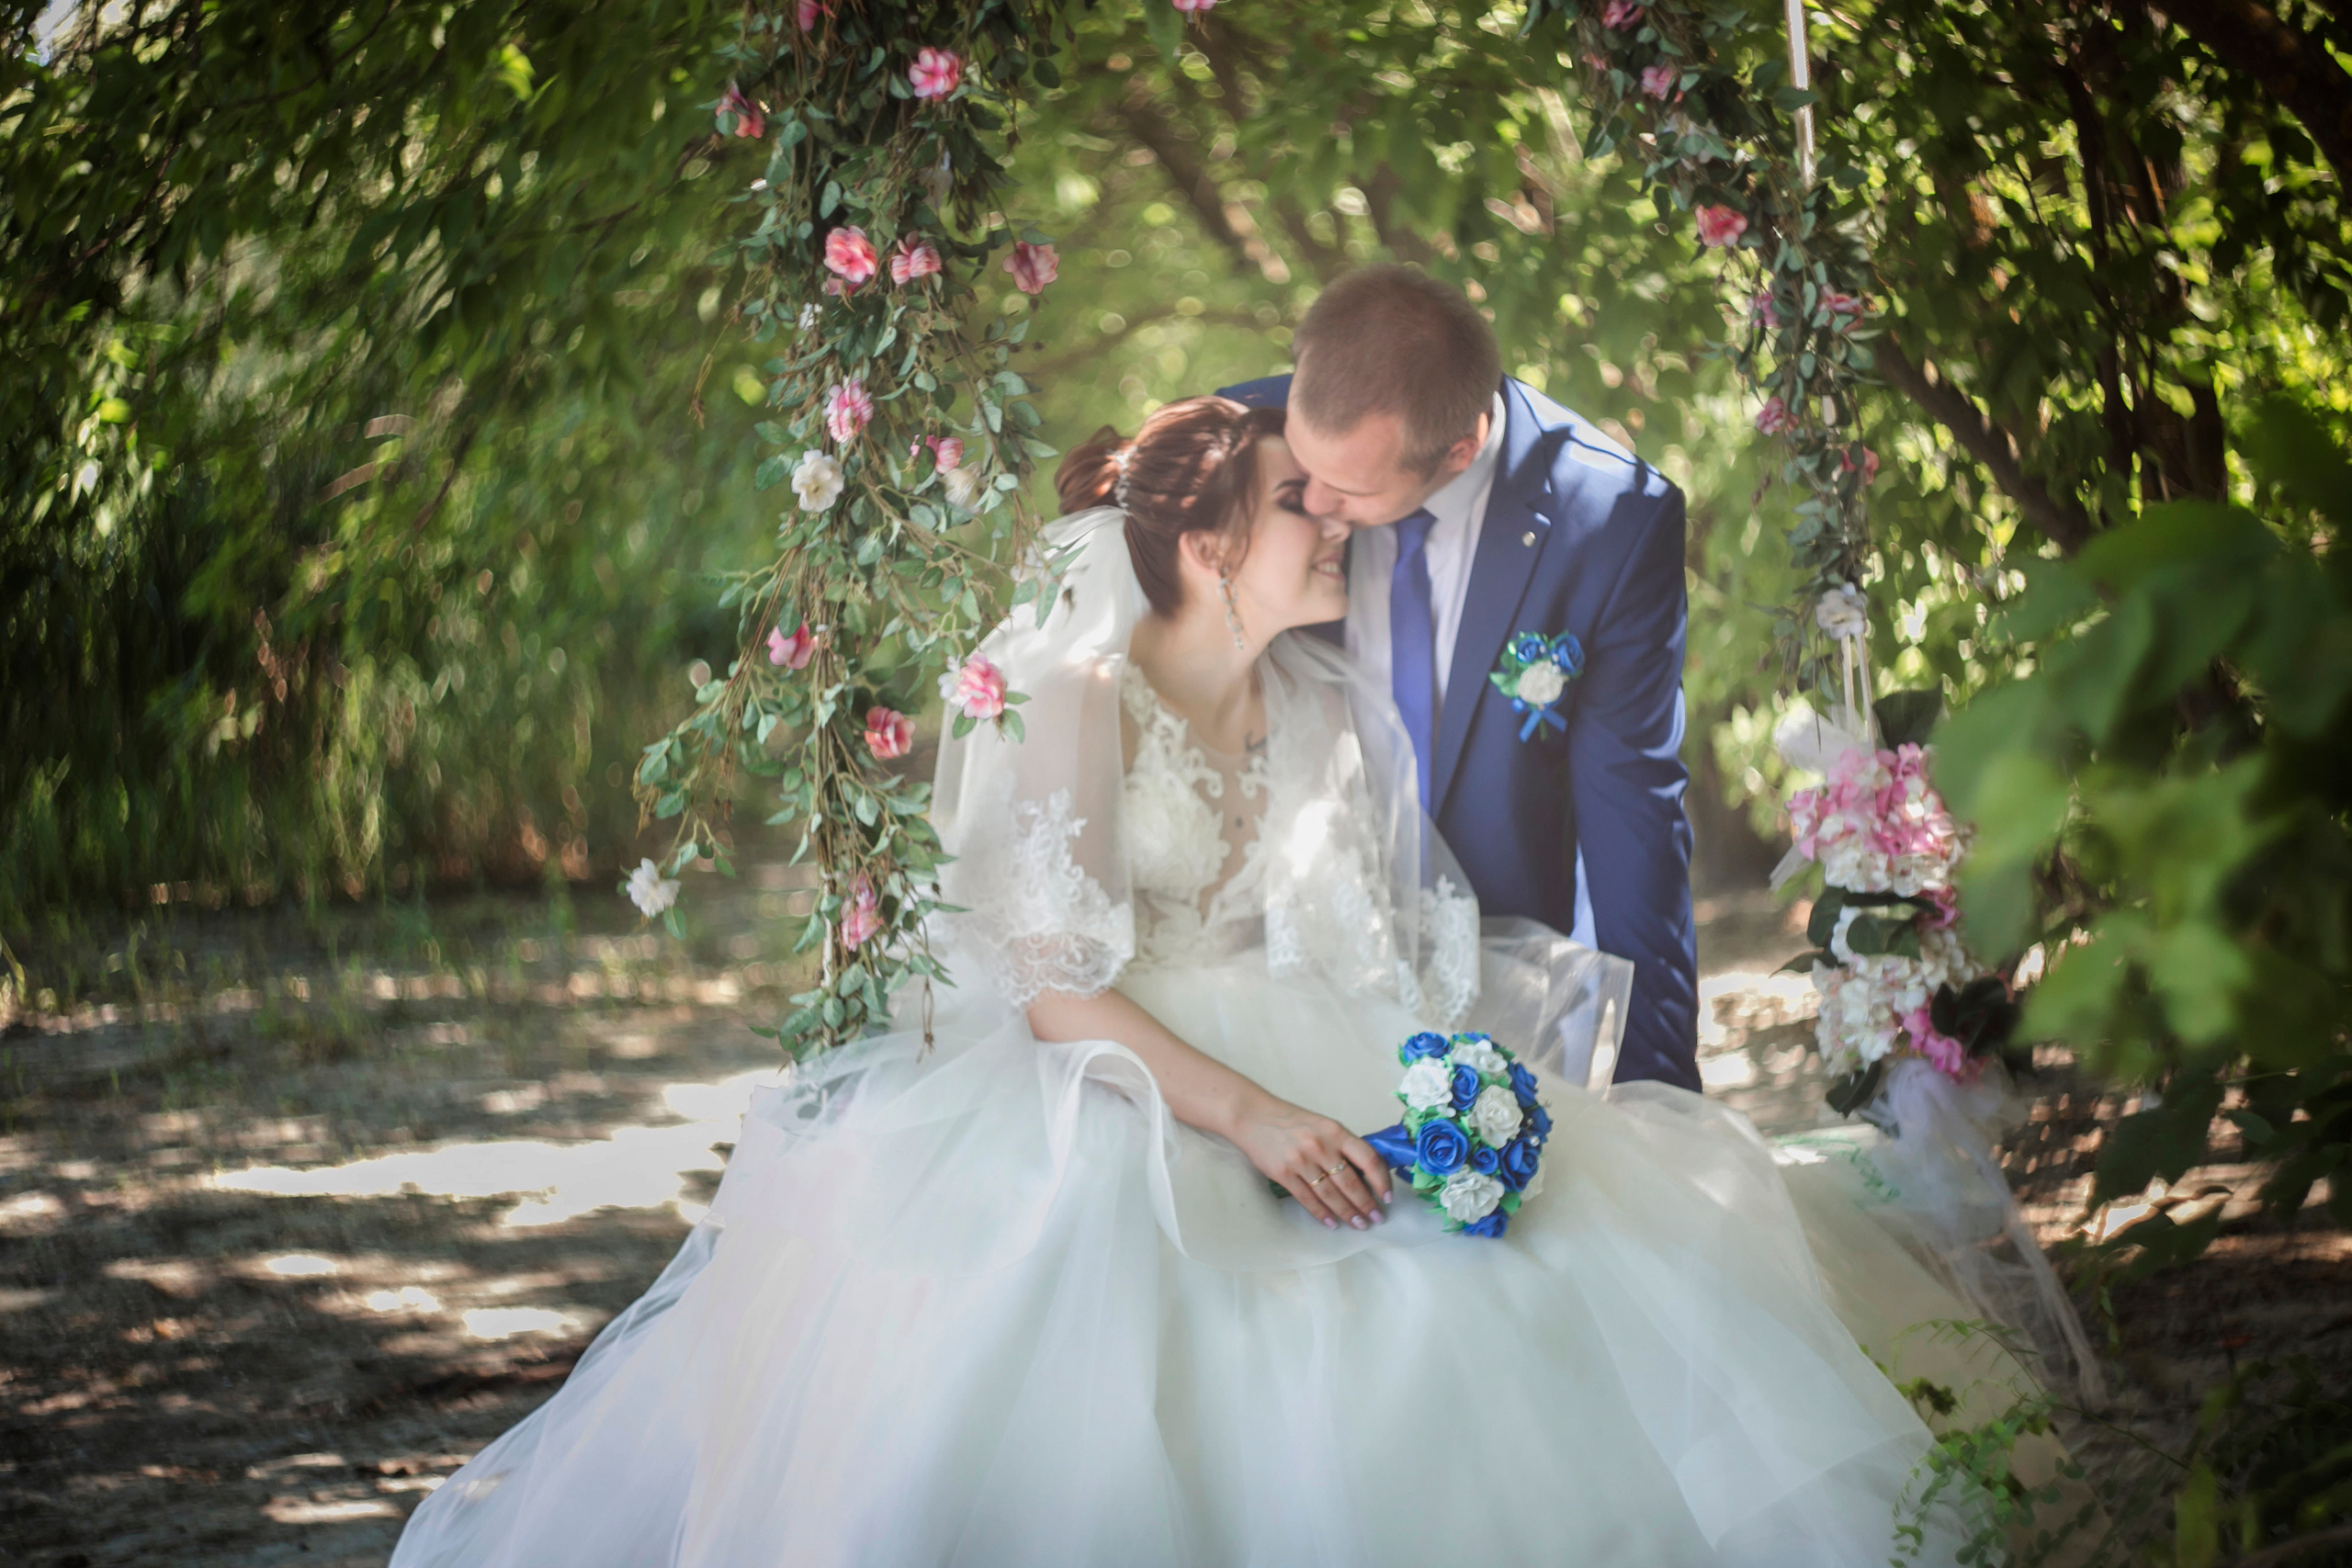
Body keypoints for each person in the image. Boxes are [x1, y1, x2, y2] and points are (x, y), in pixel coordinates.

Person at [389, 398, 2012, 1568]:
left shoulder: (1314, 701)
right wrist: (1253, 1114)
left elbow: (1367, 936)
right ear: (1211, 539)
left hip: (1314, 1033)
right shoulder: (1078, 700)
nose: (1340, 528)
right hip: (1118, 1076)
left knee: (1527, 1264)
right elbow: (1051, 988)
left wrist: (1454, 1077)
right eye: (1303, 507)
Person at [1221, 265, 1700, 1092]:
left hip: (1497, 989)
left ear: (1458, 450)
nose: (1315, 504)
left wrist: (1660, 1083)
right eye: (1304, 469)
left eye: (1352, 489)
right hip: (1271, 974)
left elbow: (1636, 822)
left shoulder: (1611, 526)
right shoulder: (1231, 440)